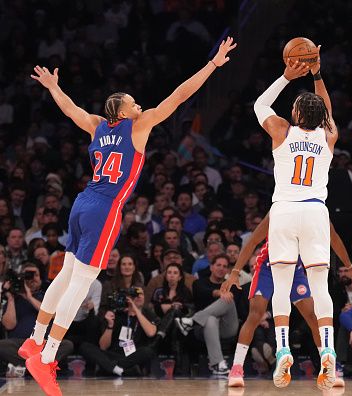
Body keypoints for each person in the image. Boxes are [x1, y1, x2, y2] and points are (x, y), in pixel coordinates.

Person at [20, 37, 236, 395]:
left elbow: (70, 108)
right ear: (122, 113)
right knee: (81, 283)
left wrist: (54, 88)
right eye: (134, 104)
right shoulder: (139, 126)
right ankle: (47, 357)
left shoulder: (95, 125)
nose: (141, 105)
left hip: (81, 202)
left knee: (68, 273)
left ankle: (34, 339)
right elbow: (180, 95)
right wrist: (212, 65)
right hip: (104, 208)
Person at [253, 49, 339, 389]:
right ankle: (328, 350)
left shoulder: (281, 131)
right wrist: (318, 75)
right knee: (320, 287)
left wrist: (288, 77)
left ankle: (283, 348)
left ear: (297, 112)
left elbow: (260, 104)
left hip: (285, 210)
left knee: (282, 285)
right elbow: (328, 113)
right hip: (316, 210)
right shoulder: (328, 135)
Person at [218, 212, 352, 387]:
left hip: (295, 267)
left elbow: (334, 238)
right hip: (268, 267)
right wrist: (235, 272)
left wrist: (349, 267)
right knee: (255, 315)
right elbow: (252, 242)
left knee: (312, 315)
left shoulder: (314, 211)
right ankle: (236, 369)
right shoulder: (279, 209)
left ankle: (329, 369)